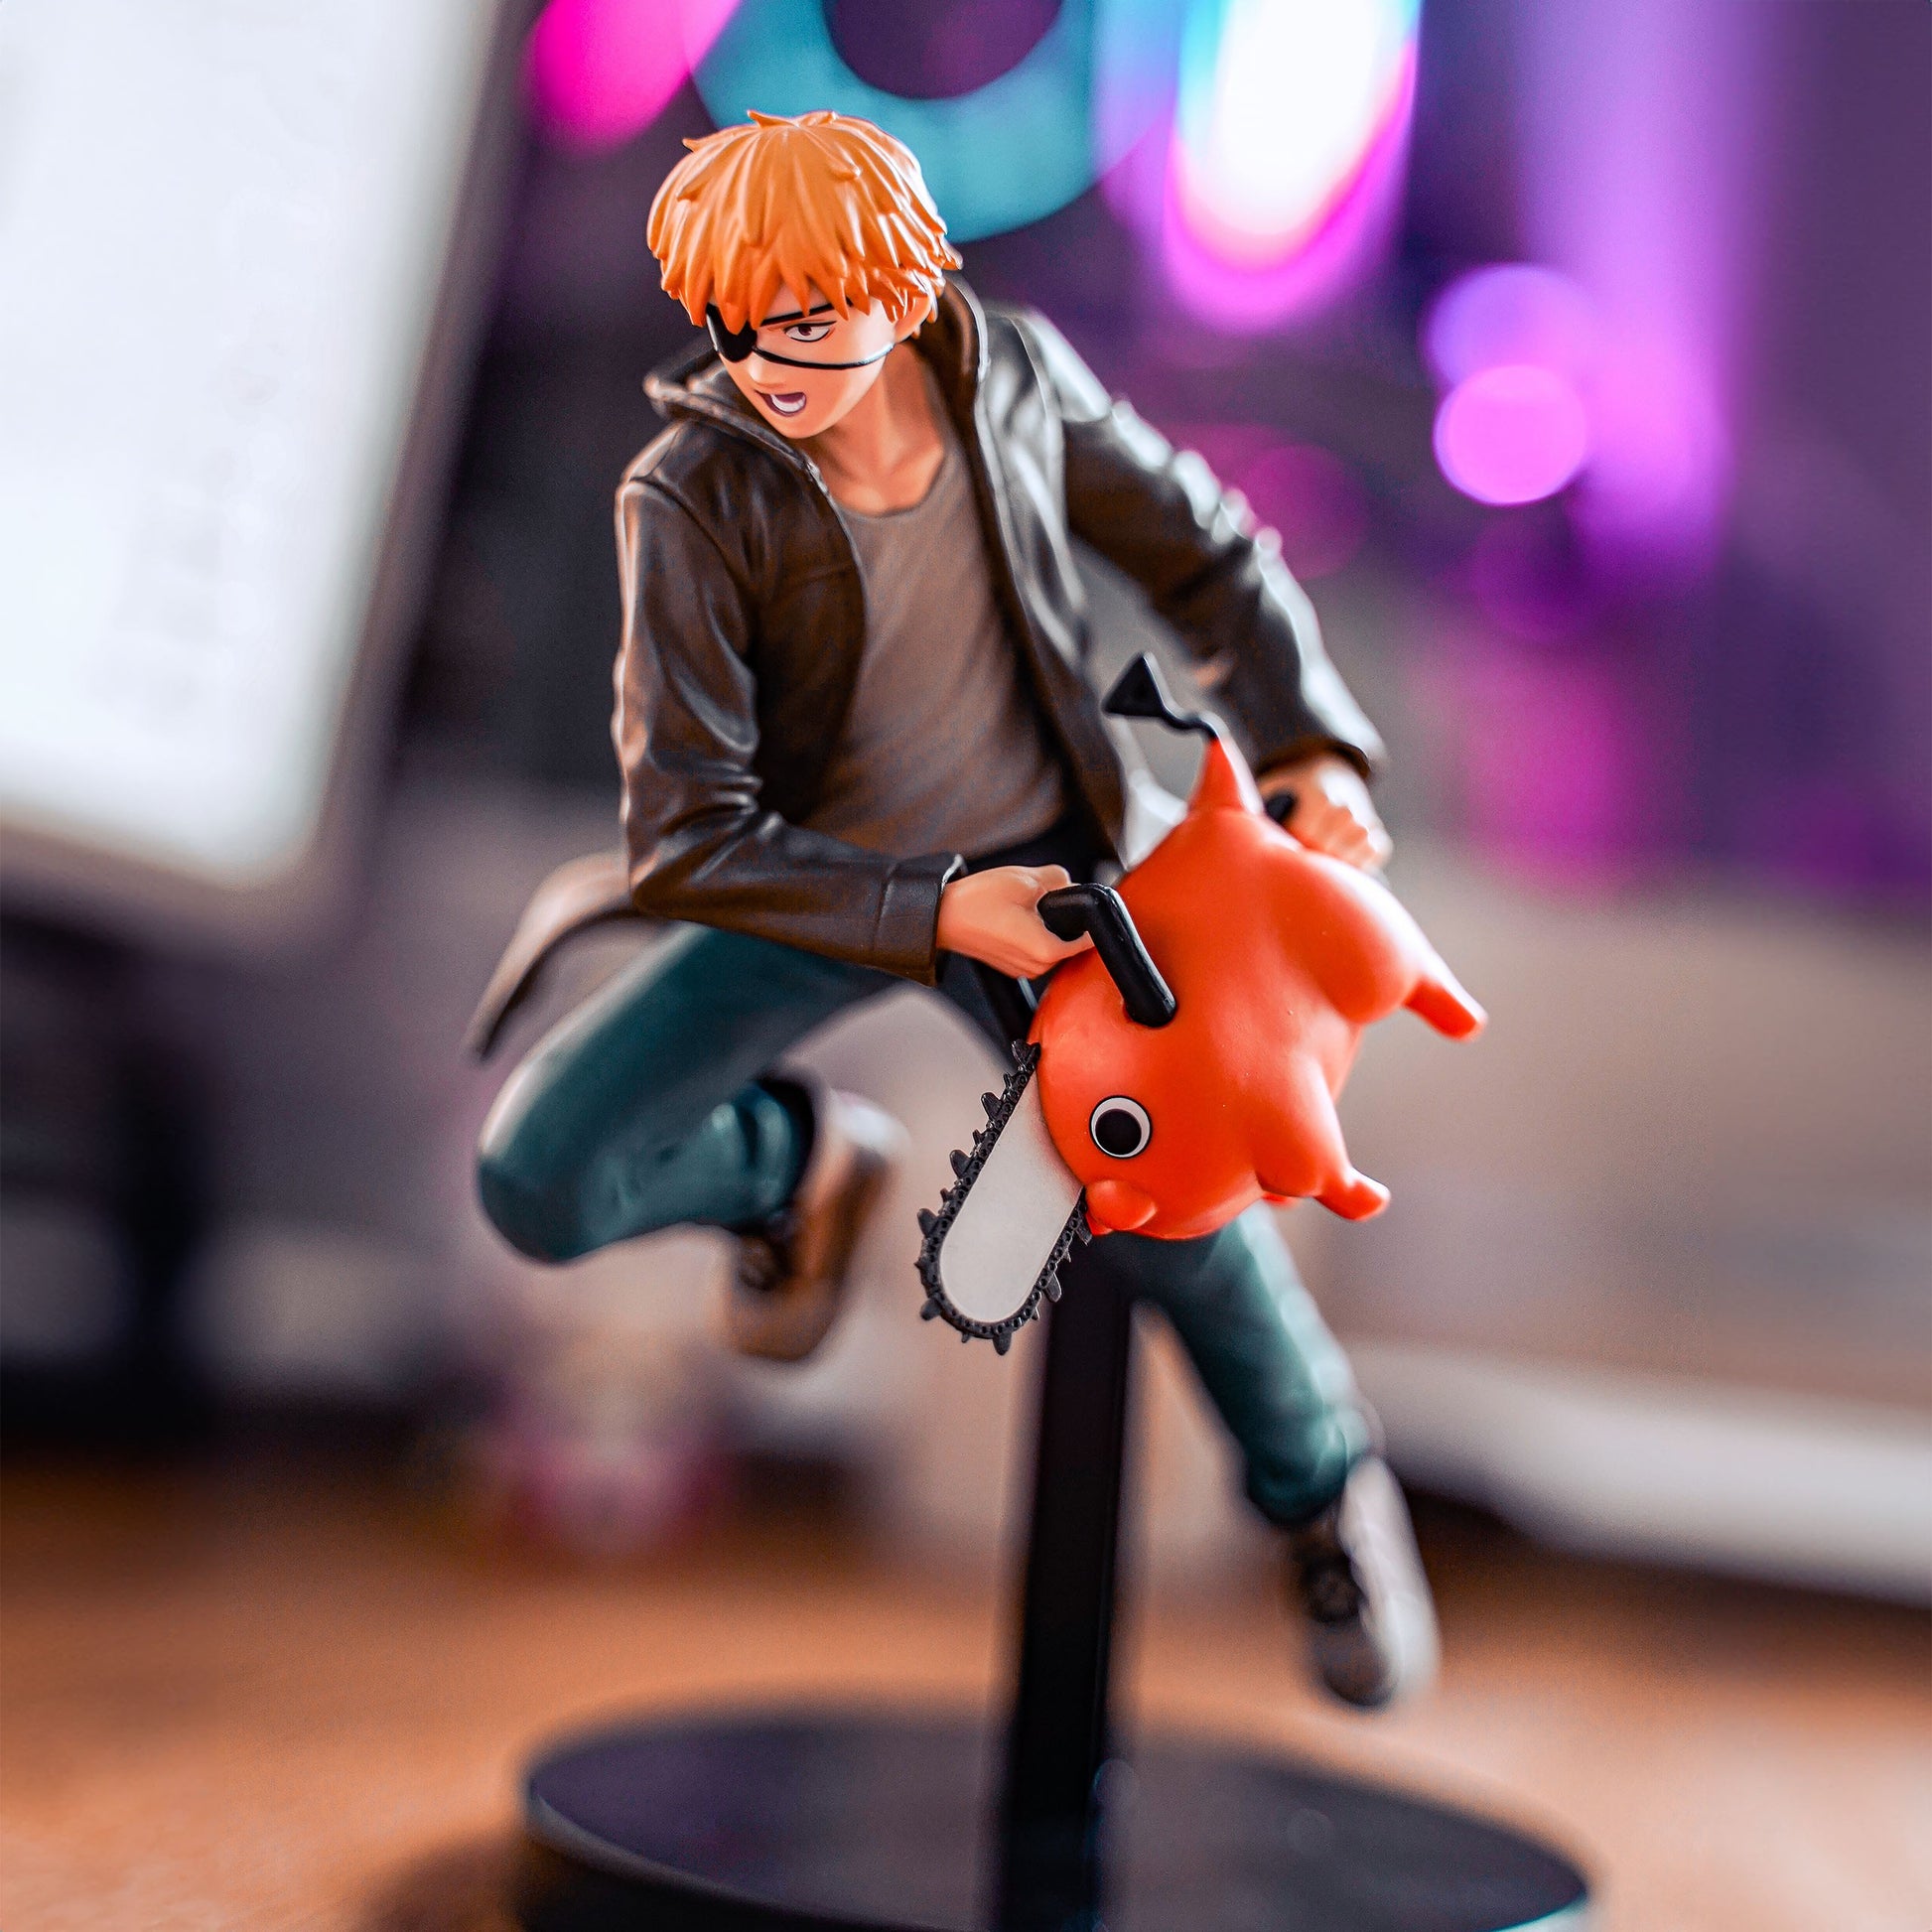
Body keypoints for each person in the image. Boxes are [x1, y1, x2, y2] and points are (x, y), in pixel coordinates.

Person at [472, 109, 1434, 1709]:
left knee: (1184, 1188)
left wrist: (1310, 743)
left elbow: (1209, 556)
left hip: (1063, 861)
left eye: (807, 318)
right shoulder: (694, 499)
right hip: (818, 887)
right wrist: (929, 914)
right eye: (739, 326)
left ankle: (1323, 1486)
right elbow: (691, 831)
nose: (772, 371)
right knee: (540, 1173)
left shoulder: (1014, 391)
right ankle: (790, 1166)